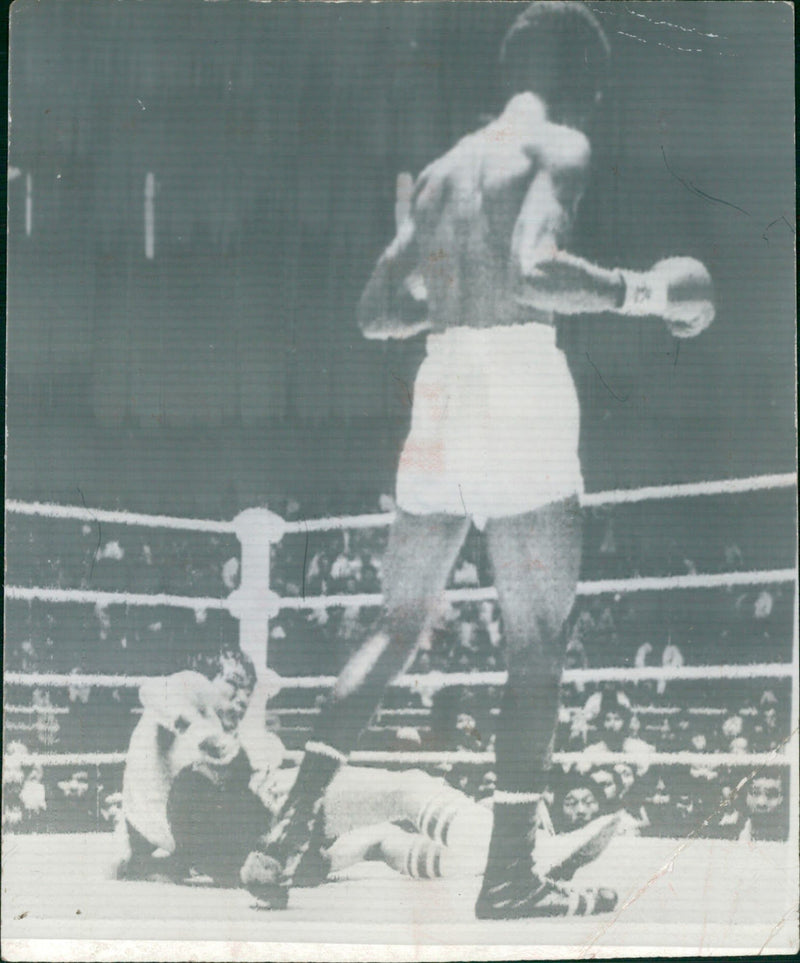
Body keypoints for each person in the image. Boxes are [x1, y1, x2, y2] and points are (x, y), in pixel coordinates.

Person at [242, 1, 715, 917]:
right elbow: (537, 269)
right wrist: (642, 292)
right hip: (518, 386)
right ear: (587, 81)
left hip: (441, 380)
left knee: (393, 625)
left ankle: (282, 834)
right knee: (536, 646)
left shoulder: (444, 171)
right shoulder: (562, 147)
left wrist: (462, 300)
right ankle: (507, 875)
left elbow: (378, 312)